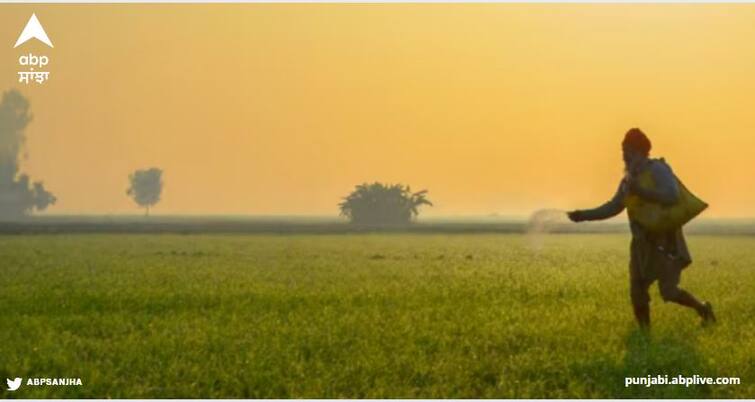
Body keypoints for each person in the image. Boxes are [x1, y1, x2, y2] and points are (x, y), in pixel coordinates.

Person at [567, 128, 716, 329]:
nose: (625, 157)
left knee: (669, 292)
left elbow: (672, 195)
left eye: (628, 152)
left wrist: (642, 192)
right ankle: (645, 335)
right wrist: (583, 216)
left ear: (640, 152)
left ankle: (703, 308)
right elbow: (614, 206)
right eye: (623, 152)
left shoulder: (658, 170)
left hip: (665, 242)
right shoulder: (628, 180)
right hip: (641, 244)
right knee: (637, 290)